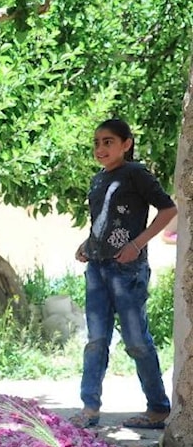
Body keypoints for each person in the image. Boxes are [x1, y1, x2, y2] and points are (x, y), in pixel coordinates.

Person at [70, 118, 177, 429]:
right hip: (98, 269)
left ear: (126, 144)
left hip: (127, 270)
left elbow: (169, 210)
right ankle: (89, 409)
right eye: (97, 143)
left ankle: (158, 408)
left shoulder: (136, 173)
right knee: (96, 340)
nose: (101, 148)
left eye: (108, 142)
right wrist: (87, 244)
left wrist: (137, 244)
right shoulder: (98, 180)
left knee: (136, 341)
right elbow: (103, 223)